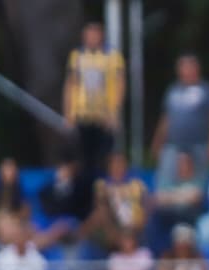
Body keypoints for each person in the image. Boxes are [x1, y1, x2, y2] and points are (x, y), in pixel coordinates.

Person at [151, 54, 209, 190]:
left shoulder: (208, 90)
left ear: (197, 69)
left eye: (189, 67)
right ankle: (167, 206)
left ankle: (193, 208)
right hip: (173, 144)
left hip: (199, 145)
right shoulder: (172, 91)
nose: (186, 70)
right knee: (165, 180)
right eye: (183, 67)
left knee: (198, 183)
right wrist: (157, 142)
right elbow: (166, 119)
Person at [62, 21, 125, 180]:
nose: (92, 38)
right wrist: (68, 113)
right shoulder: (77, 56)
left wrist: (115, 112)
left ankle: (103, 195)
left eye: (95, 34)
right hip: (83, 115)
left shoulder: (112, 56)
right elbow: (70, 84)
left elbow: (120, 84)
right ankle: (86, 197)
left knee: (103, 159)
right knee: (83, 160)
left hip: (104, 116)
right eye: (89, 35)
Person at [82, 151, 149, 254]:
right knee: (98, 215)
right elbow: (100, 207)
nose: (118, 167)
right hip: (112, 226)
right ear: (109, 167)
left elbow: (146, 205)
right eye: (115, 163)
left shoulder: (136, 184)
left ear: (126, 166)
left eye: (121, 163)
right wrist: (111, 231)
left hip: (134, 226)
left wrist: (139, 224)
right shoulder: (102, 186)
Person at [150, 152, 205, 253]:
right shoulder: (169, 179)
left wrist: (170, 196)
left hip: (188, 215)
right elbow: (157, 198)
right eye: (179, 163)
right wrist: (183, 195)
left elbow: (195, 198)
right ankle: (157, 255)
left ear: (190, 165)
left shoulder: (197, 179)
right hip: (169, 214)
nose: (182, 166)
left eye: (185, 163)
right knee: (155, 216)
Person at [35, 156, 94, 249]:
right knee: (37, 223)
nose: (63, 172)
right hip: (50, 220)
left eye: (66, 170)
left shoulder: (79, 189)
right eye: (61, 169)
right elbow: (46, 207)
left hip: (69, 221)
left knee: (62, 225)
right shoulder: (47, 189)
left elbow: (76, 209)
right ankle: (39, 242)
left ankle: (39, 244)